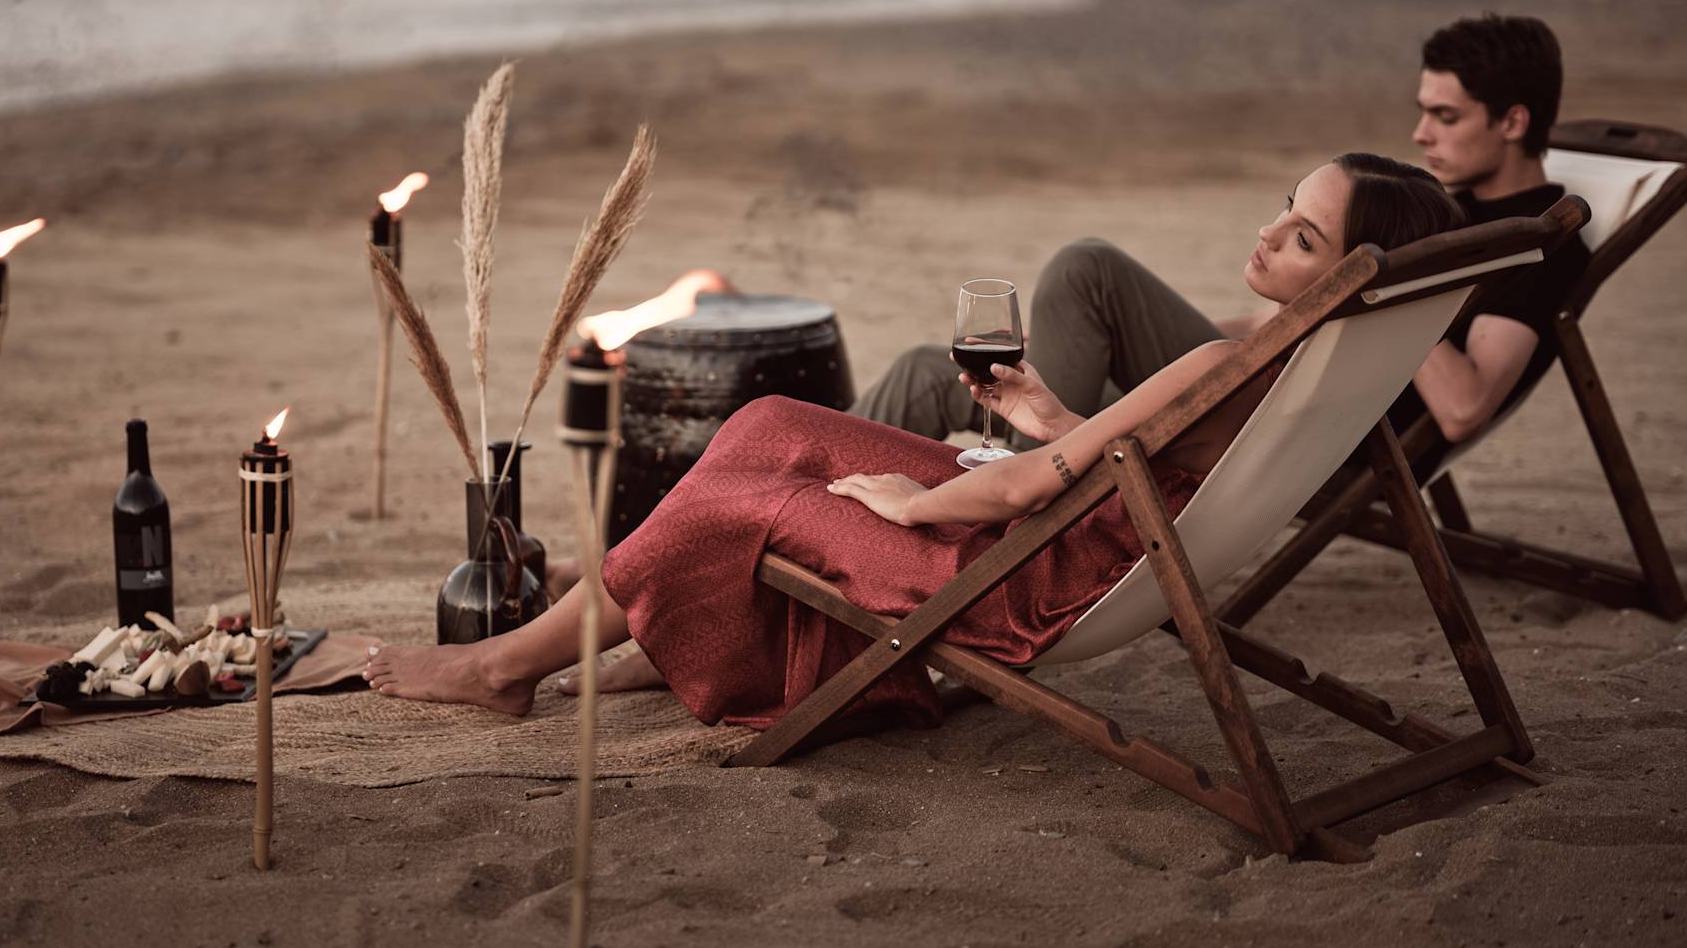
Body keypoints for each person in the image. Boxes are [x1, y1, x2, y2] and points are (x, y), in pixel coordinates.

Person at [364, 155, 1465, 726]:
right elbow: (1138, 463)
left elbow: (1024, 493)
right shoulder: (1290, 361)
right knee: (768, 425)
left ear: (1347, 277)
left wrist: (914, 502)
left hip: (1031, 570)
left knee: (752, 497)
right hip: (1083, 532)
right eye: (1286, 205)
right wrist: (1045, 416)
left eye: (1304, 235)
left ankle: (505, 664)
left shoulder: (1228, 359)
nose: (1270, 232)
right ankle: (662, 629)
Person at [851, 13, 1589, 448]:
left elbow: (1462, 410)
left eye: (1446, 116)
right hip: (1263, 379)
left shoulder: (1528, 243)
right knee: (926, 368)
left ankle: (1030, 476)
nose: (1420, 132)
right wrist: (1205, 337)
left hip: (1299, 432)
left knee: (1089, 268)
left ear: (1514, 121)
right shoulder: (1435, 201)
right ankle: (741, 471)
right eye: (1424, 110)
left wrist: (1397, 277)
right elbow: (1297, 317)